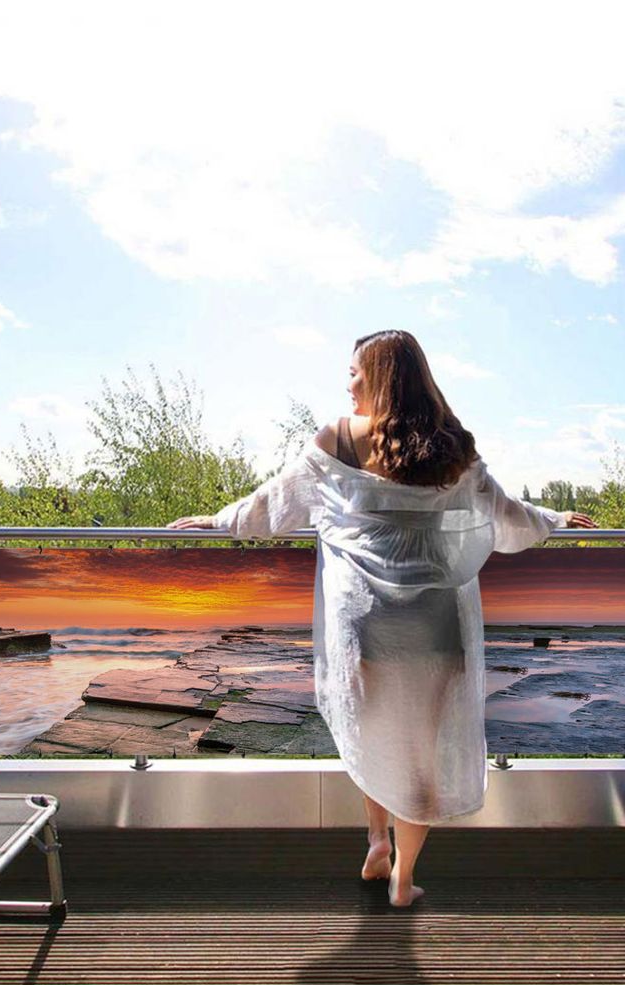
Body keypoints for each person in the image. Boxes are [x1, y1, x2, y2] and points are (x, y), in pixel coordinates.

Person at [167, 329, 598, 908]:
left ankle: (376, 840)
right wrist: (556, 519)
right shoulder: (453, 446)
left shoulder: (339, 438)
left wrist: (220, 521)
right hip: (437, 625)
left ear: (380, 377)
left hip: (367, 623)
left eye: (355, 372)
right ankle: (402, 875)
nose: (348, 384)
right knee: (421, 750)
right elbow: (507, 516)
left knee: (373, 733)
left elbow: (273, 503)